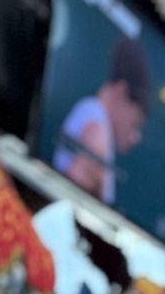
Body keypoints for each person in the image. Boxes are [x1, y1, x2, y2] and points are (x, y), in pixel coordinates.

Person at [52, 34, 151, 205]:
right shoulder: (98, 130)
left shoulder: (91, 114)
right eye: (136, 124)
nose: (136, 137)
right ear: (121, 91)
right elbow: (70, 200)